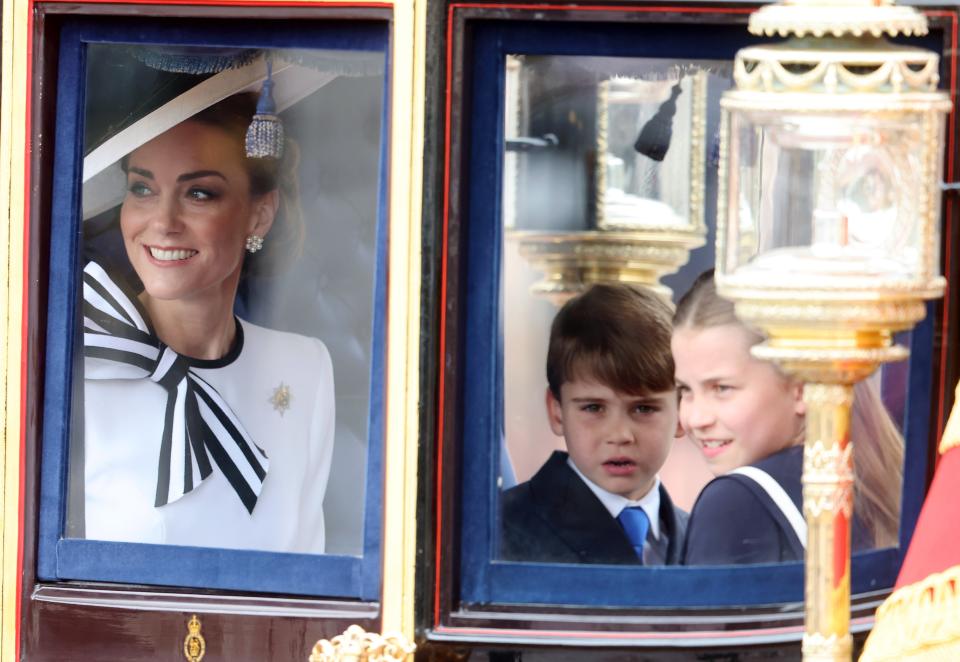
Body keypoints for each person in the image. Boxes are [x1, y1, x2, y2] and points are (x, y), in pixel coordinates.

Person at [80, 92, 335, 554]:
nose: (163, 222)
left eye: (199, 193)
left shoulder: (305, 369)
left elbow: (306, 576)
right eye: (142, 189)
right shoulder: (78, 367)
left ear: (259, 214)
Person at [672, 270, 903, 565]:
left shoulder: (735, 502)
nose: (695, 418)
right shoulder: (884, 480)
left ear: (802, 387)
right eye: (685, 390)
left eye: (721, 388)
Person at [500, 283, 688, 565]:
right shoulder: (500, 531)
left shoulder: (703, 539)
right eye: (593, 408)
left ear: (683, 413)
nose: (620, 435)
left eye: (644, 408)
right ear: (557, 412)